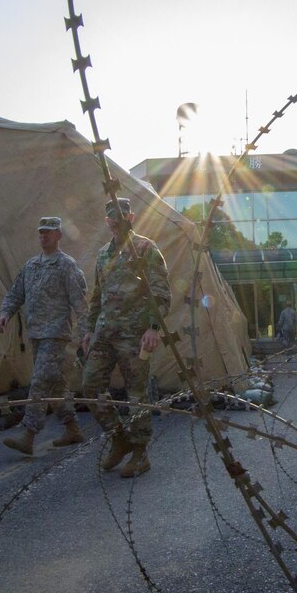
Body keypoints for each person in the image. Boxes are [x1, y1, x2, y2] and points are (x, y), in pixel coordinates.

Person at [80, 197, 170, 478]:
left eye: (121, 216)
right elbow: (98, 295)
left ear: (131, 218)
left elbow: (161, 292)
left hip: (135, 337)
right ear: (107, 221)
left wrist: (153, 328)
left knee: (136, 396)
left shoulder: (145, 248)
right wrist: (89, 328)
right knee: (90, 387)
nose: (116, 222)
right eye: (111, 218)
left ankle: (140, 453)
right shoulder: (103, 254)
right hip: (105, 334)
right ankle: (119, 439)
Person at [0, 216, 88, 455]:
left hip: (55, 334)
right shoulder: (31, 266)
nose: (43, 236)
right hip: (36, 334)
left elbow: (79, 302)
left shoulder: (66, 265)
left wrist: (86, 332)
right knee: (56, 385)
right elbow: (16, 293)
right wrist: (6, 313)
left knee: (39, 382)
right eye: (41, 232)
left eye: (48, 232)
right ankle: (72, 429)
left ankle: (28, 434)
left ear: (58, 235)